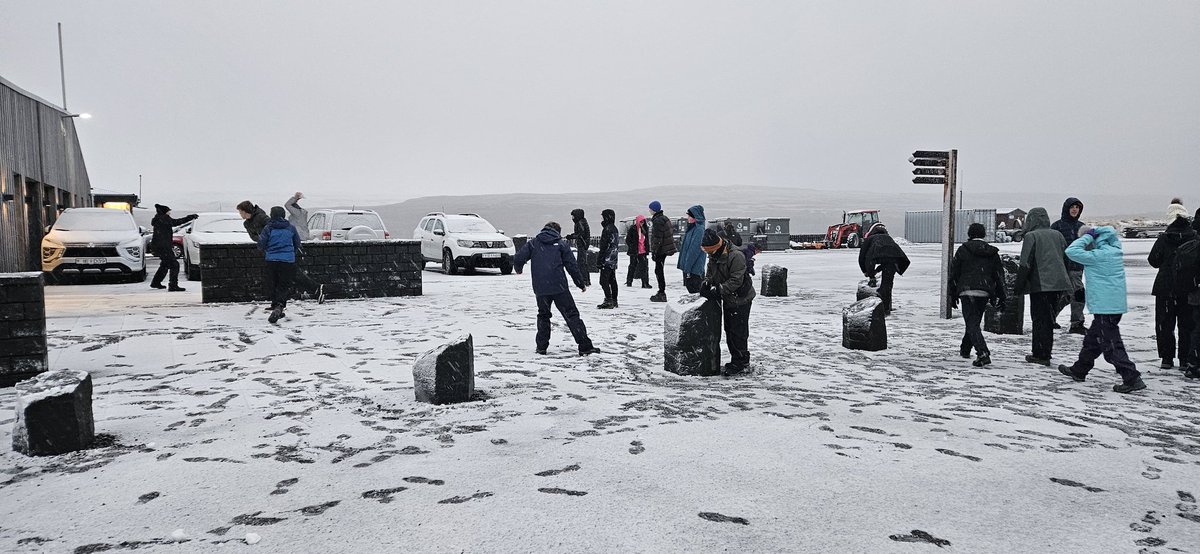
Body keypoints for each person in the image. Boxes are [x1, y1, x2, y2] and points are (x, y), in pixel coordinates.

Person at [1057, 226, 1145, 393]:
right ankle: (1080, 369)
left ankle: (1131, 376)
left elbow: (1071, 251)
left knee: (1111, 344)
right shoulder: (1114, 250)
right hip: (1114, 304)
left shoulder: (1097, 256)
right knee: (1093, 340)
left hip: (1105, 306)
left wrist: (1087, 237)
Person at [514, 222, 598, 356]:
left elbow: (518, 258)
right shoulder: (561, 244)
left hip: (541, 288)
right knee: (571, 315)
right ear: (558, 231)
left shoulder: (534, 243)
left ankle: (541, 347)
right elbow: (572, 266)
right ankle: (585, 346)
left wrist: (518, 269)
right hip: (559, 287)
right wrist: (580, 283)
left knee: (543, 315)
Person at [1014, 207, 1072, 366]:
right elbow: (1066, 259)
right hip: (1059, 283)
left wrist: (1018, 287)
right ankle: (1046, 351)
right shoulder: (1058, 235)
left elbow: (1025, 264)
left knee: (1039, 319)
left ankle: (1040, 354)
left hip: (1041, 284)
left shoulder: (1031, 236)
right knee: (1049, 319)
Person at [947, 223, 1006, 367]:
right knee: (974, 322)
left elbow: (954, 273)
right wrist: (1001, 294)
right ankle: (965, 348)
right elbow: (998, 275)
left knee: (971, 322)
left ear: (969, 234)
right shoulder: (991, 252)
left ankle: (982, 353)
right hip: (984, 291)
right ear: (984, 234)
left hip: (967, 291)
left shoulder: (963, 250)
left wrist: (952, 294)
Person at [699, 229, 756, 376]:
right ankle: (736, 360)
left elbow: (736, 280)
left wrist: (719, 289)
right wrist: (706, 283)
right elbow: (710, 274)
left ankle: (742, 362)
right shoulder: (713, 255)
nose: (707, 254)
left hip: (741, 299)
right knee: (729, 330)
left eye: (708, 250)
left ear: (715, 246)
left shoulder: (736, 256)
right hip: (729, 298)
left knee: (739, 331)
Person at [1148, 199, 1195, 369]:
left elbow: (1153, 260)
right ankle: (1185, 359)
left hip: (1165, 287)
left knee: (1165, 324)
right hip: (1187, 287)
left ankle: (1167, 358)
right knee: (1186, 324)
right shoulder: (1194, 236)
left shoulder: (1164, 238)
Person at [257, 206, 303, 324]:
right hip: (287, 261)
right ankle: (279, 306)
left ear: (272, 215)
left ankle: (276, 305)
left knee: (273, 283)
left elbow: (261, 243)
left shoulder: (268, 228)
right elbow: (297, 243)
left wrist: (267, 251)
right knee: (283, 284)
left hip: (271, 260)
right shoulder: (291, 228)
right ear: (283, 215)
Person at [1051, 197, 1088, 334]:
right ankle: (1076, 324)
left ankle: (1051, 318)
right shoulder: (1057, 227)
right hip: (1062, 267)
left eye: (1077, 207)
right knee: (1075, 294)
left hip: (1077, 267)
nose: (1074, 210)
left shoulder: (1082, 227)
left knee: (1069, 295)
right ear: (1066, 209)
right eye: (1072, 207)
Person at [857, 222, 910, 314]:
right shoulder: (888, 238)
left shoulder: (870, 239)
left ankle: (872, 281)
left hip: (874, 256)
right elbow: (888, 258)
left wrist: (866, 271)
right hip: (893, 258)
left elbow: (862, 257)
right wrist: (877, 270)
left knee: (870, 261)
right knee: (887, 285)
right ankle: (885, 308)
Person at [283, 192, 325, 304]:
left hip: (298, 238)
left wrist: (295, 198)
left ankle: (304, 290)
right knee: (296, 270)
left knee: (295, 270)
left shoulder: (297, 214)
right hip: (300, 237)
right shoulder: (299, 214)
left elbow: (287, 205)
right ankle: (302, 291)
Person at [149, 204, 198, 291]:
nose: (170, 212)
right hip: (163, 246)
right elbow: (176, 222)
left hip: (160, 246)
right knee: (174, 265)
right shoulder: (163, 219)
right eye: (168, 211)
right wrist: (190, 217)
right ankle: (173, 285)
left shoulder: (160, 218)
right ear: (165, 211)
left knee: (165, 264)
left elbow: (175, 222)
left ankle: (156, 282)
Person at [649, 201, 677, 302]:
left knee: (658, 270)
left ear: (653, 209)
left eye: (650, 209)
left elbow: (657, 238)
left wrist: (654, 251)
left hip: (661, 250)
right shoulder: (664, 218)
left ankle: (662, 292)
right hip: (664, 249)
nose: (649, 210)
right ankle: (661, 291)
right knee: (659, 270)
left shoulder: (658, 221)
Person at [677, 205, 707, 294]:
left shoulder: (699, 230)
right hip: (690, 268)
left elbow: (694, 251)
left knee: (696, 292)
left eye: (690, 216)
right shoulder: (692, 228)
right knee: (692, 291)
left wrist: (687, 268)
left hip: (694, 269)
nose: (688, 218)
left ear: (695, 217)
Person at [596, 209, 620, 309]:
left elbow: (604, 246)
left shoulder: (607, 229)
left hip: (607, 258)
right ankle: (614, 300)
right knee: (612, 280)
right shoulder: (614, 228)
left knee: (603, 281)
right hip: (613, 258)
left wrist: (600, 260)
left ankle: (608, 300)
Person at [1186, 209, 1200, 379]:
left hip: (1194, 291)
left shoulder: (1192, 237)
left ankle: (1193, 362)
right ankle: (1193, 363)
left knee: (1196, 328)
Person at [564, 208, 591, 287]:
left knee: (581, 263)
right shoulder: (582, 222)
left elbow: (580, 235)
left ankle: (584, 280)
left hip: (582, 245)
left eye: (573, 216)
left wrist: (571, 236)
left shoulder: (580, 223)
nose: (572, 218)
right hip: (583, 244)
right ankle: (586, 280)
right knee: (583, 263)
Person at [625, 215, 651, 289]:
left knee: (644, 267)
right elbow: (628, 240)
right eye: (641, 221)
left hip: (642, 251)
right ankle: (629, 281)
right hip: (634, 251)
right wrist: (632, 246)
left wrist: (647, 249)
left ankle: (645, 283)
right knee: (632, 267)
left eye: (643, 222)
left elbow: (646, 241)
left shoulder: (645, 229)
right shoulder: (633, 229)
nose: (642, 223)